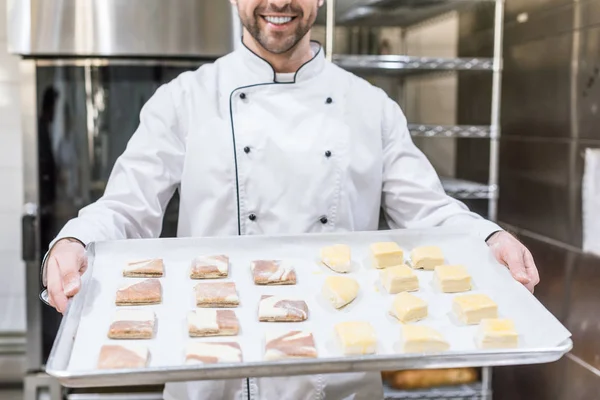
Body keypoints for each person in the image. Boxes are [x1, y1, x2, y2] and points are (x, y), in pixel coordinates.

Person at [43, 0, 540, 399]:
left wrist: (487, 236)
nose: (278, 3)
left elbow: (430, 213)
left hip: (338, 375)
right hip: (213, 373)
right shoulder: (185, 99)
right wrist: (75, 240)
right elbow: (127, 207)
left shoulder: (370, 107)